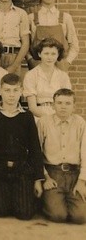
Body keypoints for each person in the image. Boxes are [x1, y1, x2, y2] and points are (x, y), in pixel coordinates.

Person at [0, 73, 44, 220]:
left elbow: (35, 148)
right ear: (0, 91)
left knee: (25, 214)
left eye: (15, 90)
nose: (11, 95)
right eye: (7, 90)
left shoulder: (27, 117)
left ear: (21, 92)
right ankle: (4, 195)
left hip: (21, 168)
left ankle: (19, 196)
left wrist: (38, 179)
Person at [37, 89, 86, 224]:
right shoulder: (43, 123)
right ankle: (48, 201)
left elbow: (85, 153)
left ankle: (68, 201)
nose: (63, 106)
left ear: (74, 106)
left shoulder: (80, 123)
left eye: (67, 103)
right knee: (58, 215)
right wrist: (45, 177)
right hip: (53, 173)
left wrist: (82, 181)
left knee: (80, 217)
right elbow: (37, 153)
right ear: (53, 105)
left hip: (74, 174)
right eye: (59, 103)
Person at [28, 0, 79, 71]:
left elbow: (74, 45)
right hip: (37, 67)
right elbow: (26, 45)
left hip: (60, 67)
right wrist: (31, 61)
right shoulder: (31, 18)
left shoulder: (66, 18)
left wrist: (67, 63)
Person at [23, 38, 71, 119]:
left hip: (59, 116)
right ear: (39, 54)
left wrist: (57, 118)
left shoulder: (63, 76)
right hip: (38, 116)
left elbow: (66, 102)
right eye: (46, 53)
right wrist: (49, 119)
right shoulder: (31, 75)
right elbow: (32, 107)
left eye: (53, 54)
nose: (49, 57)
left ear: (58, 55)